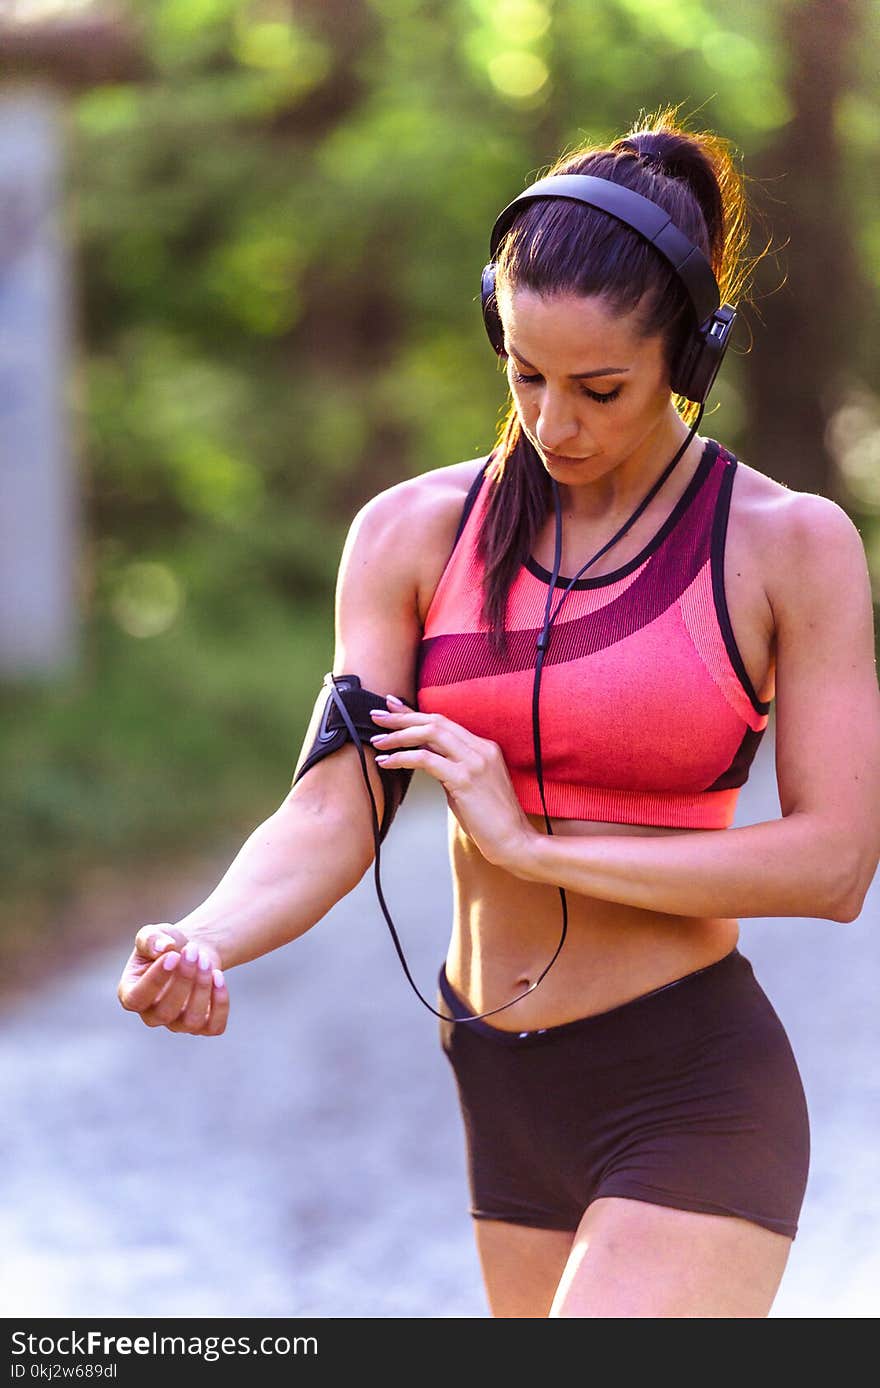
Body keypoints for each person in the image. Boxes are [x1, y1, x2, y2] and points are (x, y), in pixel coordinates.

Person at [117, 110, 880, 1319]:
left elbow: (836, 861)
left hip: (689, 1084)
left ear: (690, 358)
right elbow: (333, 807)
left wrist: (531, 846)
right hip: (500, 1089)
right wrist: (205, 933)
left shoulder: (787, 545)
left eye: (599, 386)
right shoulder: (409, 535)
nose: (553, 422)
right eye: (523, 372)